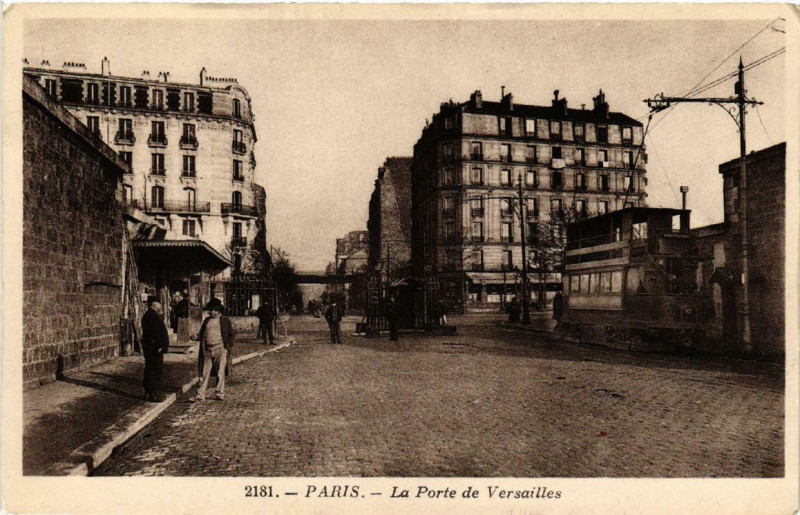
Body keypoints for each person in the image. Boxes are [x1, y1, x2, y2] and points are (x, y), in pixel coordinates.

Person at [191, 298, 235, 402]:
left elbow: (231, 335)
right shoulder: (207, 320)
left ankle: (219, 393)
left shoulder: (225, 320)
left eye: (212, 310)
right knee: (204, 373)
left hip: (220, 349)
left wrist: (226, 348)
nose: (210, 312)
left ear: (218, 310)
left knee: (220, 372)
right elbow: (201, 334)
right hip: (206, 351)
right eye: (209, 310)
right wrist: (196, 337)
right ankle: (200, 395)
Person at [141, 300, 170, 402]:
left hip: (150, 348)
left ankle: (148, 393)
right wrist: (159, 346)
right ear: (153, 306)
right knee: (155, 371)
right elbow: (155, 333)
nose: (160, 308)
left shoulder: (149, 315)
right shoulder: (152, 316)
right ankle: (153, 394)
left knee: (149, 369)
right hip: (154, 349)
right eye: (159, 306)